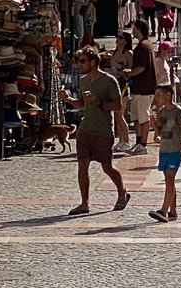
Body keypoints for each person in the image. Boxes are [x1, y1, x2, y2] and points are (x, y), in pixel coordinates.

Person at [55, 48, 129, 215]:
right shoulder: (83, 81)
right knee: (82, 166)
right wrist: (68, 99)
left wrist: (99, 104)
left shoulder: (109, 81)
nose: (79, 64)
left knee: (107, 167)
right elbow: (82, 104)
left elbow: (117, 106)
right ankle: (84, 203)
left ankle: (122, 192)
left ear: (93, 62)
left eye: (82, 61)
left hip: (103, 130)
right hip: (85, 129)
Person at [148, 85, 181, 222]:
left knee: (170, 179)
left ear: (168, 95)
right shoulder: (161, 112)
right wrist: (154, 124)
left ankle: (163, 210)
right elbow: (159, 132)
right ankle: (173, 210)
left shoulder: (178, 111)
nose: (156, 99)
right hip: (164, 149)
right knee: (168, 181)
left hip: (174, 149)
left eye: (159, 95)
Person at [126, 20, 157, 155]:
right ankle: (139, 142)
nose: (132, 31)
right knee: (136, 116)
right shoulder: (146, 45)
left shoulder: (143, 46)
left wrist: (129, 73)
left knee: (143, 117)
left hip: (144, 88)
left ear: (139, 29)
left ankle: (143, 144)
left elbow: (141, 67)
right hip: (139, 88)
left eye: (134, 28)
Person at [109, 31, 133, 152]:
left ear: (125, 40)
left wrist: (119, 67)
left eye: (120, 38)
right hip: (114, 84)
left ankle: (126, 141)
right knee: (116, 114)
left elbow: (131, 69)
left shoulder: (128, 53)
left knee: (120, 113)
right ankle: (121, 140)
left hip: (123, 84)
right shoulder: (114, 52)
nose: (117, 39)